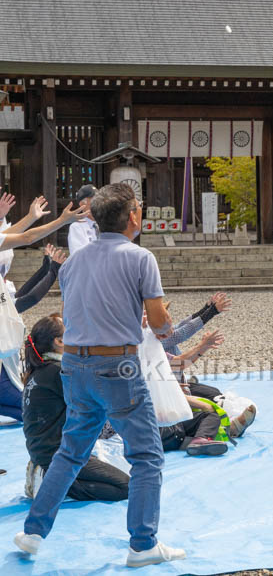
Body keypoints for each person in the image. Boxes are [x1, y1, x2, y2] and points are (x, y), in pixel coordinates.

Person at [14, 183, 185, 568]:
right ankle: (143, 545)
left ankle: (33, 532)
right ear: (132, 217)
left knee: (70, 453)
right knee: (146, 456)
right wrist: (165, 327)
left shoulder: (73, 263)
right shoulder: (141, 258)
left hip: (74, 365)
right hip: (117, 366)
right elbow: (159, 324)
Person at [21, 315, 130, 501]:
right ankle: (54, 483)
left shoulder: (39, 371)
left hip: (43, 453)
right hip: (59, 455)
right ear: (59, 341)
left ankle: (51, 476)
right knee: (128, 487)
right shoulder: (61, 371)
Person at [0, 245, 69, 422]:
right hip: (3, 377)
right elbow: (30, 299)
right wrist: (53, 271)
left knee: (30, 408)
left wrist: (46, 266)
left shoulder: (4, 289)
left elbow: (23, 294)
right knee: (37, 410)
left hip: (6, 372)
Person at [67, 184, 99, 255]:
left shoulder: (106, 223)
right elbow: (79, 255)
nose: (98, 203)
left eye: (99, 199)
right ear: (82, 204)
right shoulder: (76, 227)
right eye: (94, 200)